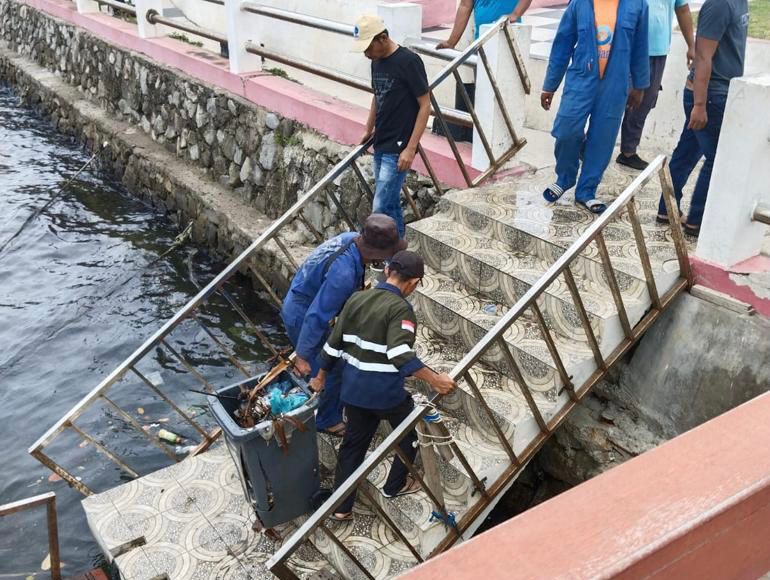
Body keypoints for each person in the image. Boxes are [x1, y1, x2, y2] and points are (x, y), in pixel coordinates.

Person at [311, 251, 456, 521]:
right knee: (411, 433)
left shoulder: (356, 299)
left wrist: (320, 377)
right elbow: (400, 353)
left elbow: (332, 345)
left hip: (353, 391)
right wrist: (435, 379)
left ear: (388, 270)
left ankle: (341, 508)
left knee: (353, 447)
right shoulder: (401, 309)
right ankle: (395, 485)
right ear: (413, 282)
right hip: (386, 394)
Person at [280, 214, 406, 436]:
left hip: (302, 297)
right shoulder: (343, 274)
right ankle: (326, 419)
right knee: (333, 367)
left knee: (332, 361)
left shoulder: (350, 240)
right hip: (303, 315)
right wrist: (301, 355)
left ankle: (325, 402)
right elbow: (317, 316)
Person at [541, 0, 650, 214]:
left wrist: (640, 85)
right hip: (581, 79)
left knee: (602, 138)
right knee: (566, 130)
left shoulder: (638, 5)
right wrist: (550, 84)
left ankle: (587, 191)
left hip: (615, 83)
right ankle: (565, 178)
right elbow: (562, 44)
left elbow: (640, 46)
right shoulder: (579, 4)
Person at [656, 0, 749, 237]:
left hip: (717, 92)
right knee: (717, 159)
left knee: (687, 152)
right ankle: (697, 220)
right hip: (709, 95)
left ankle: (666, 209)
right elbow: (703, 56)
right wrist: (699, 104)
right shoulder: (719, 4)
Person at [353, 15, 431, 238]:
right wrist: (368, 129)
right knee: (389, 204)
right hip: (381, 140)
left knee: (379, 205)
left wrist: (411, 147)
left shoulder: (409, 61)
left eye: (368, 47)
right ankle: (398, 248)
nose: (366, 54)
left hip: (399, 145)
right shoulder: (376, 62)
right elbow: (377, 96)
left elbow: (425, 105)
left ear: (383, 38)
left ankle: (379, 254)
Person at [435, 0, 533, 142]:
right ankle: (484, 143)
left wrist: (516, 14)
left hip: (509, 39)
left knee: (505, 96)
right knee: (483, 96)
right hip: (481, 43)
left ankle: (505, 142)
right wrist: (452, 41)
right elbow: (465, 6)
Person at [616, 0, 696, 170]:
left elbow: (682, 9)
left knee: (644, 102)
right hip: (626, 46)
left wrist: (691, 45)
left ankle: (628, 152)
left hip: (658, 50)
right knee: (616, 98)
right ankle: (591, 144)